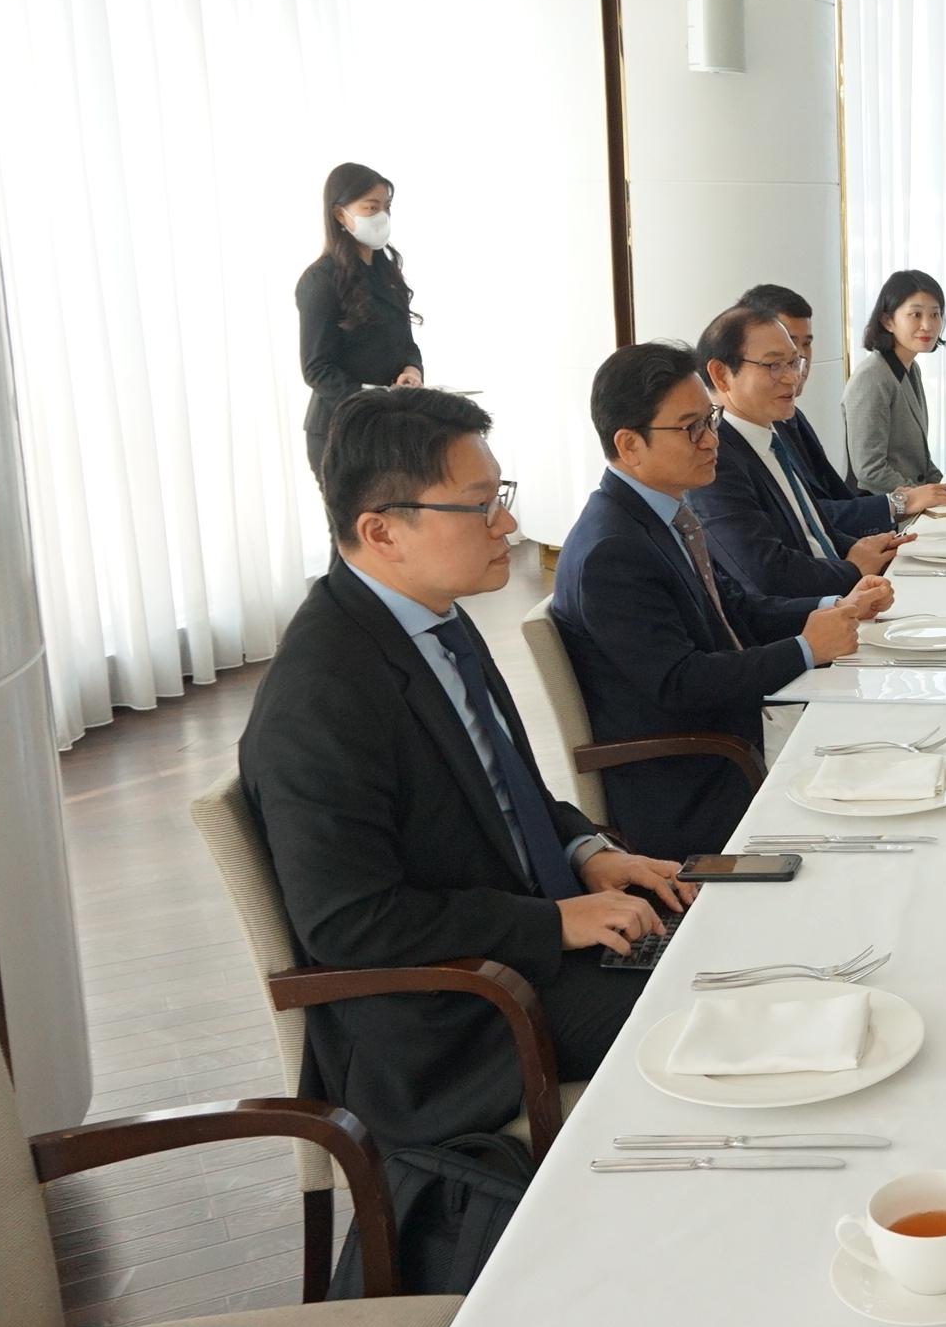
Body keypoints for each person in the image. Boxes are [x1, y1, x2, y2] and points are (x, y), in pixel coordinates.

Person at [238, 387, 686, 1150]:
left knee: (730, 944)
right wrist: (552, 922)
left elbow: (507, 789)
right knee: (708, 1008)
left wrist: (590, 853)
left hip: (513, 951)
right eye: (480, 505)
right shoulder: (322, 695)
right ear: (382, 532)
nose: (508, 524)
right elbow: (351, 922)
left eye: (499, 496)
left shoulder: (435, 619)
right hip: (453, 1020)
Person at [552, 343, 892, 860]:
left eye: (708, 420)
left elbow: (740, 610)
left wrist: (838, 604)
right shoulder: (612, 550)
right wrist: (805, 648)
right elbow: (680, 681)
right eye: (691, 428)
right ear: (630, 444)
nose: (712, 439)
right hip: (694, 777)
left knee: (891, 738)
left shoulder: (661, 513)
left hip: (738, 733)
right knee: (882, 803)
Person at [694, 299, 915, 599]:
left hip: (847, 595)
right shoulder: (716, 459)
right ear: (721, 374)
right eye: (773, 365)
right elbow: (767, 573)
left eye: (793, 362)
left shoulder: (776, 431)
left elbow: (811, 530)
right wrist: (852, 570)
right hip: (809, 619)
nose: (792, 377)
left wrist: (866, 549)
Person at [295, 162, 422, 477]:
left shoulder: (387, 273)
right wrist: (374, 396)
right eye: (371, 207)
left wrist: (411, 370)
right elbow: (316, 369)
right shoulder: (320, 280)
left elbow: (405, 344)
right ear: (340, 215)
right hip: (338, 430)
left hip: (388, 425)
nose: (382, 216)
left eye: (386, 207)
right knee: (352, 527)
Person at [843, 268, 946, 494]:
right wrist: (923, 497)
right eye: (916, 315)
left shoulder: (910, 368)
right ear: (888, 321)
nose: (928, 325)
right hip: (881, 509)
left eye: (935, 314)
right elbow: (869, 471)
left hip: (909, 499)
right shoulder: (872, 377)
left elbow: (921, 461)